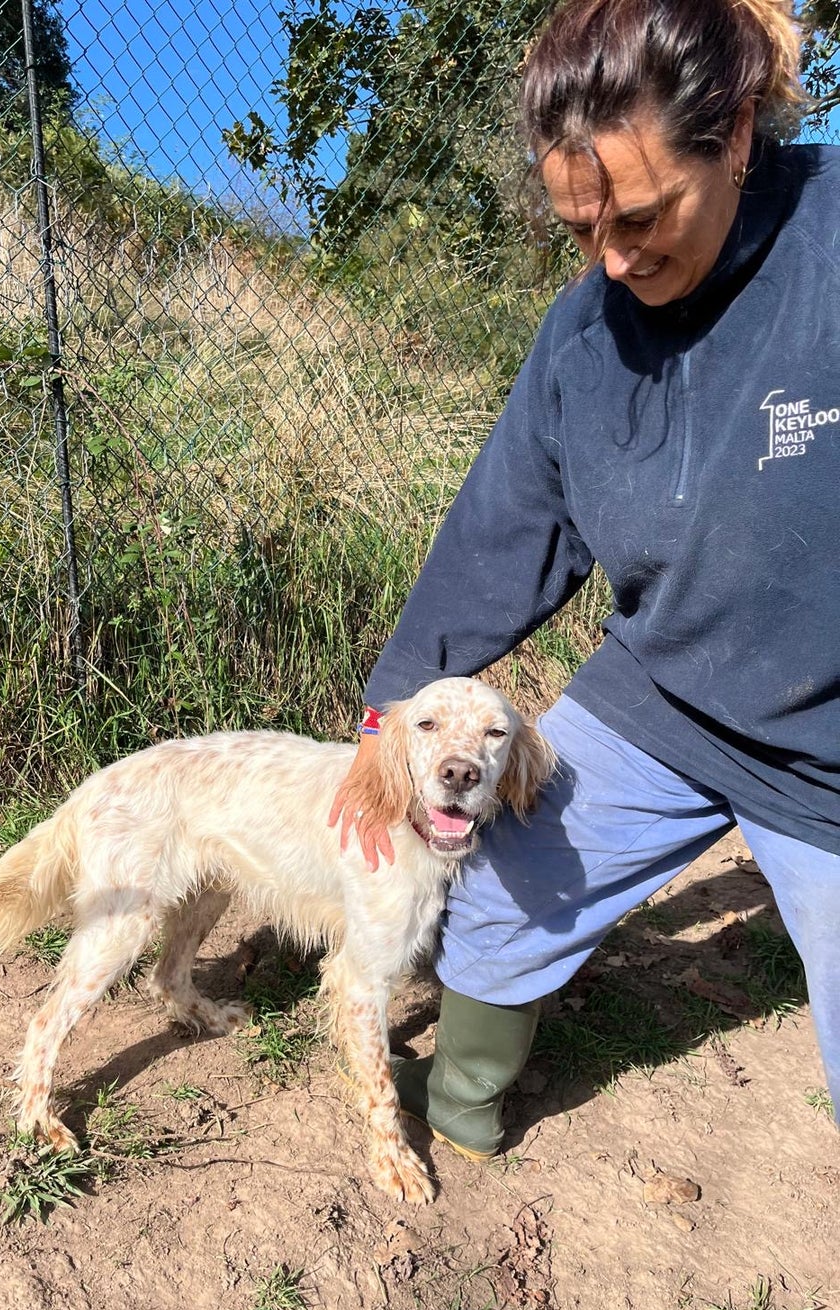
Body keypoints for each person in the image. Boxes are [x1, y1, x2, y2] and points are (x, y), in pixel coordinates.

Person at [329, 0, 840, 1162]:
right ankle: (459, 1110)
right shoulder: (583, 337)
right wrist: (383, 721)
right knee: (499, 896)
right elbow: (500, 536)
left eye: (644, 214)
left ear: (740, 135)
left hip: (834, 750)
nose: (612, 257)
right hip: (669, 693)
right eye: (581, 226)